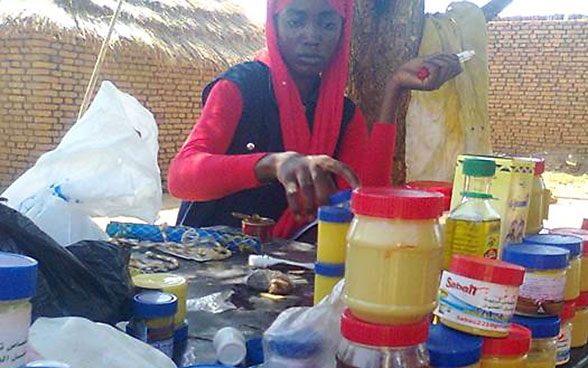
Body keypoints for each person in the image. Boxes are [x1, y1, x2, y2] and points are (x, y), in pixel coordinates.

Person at [168, 0, 462, 238]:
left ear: (342, 32)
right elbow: (181, 178)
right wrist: (271, 163)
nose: (312, 37)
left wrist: (394, 90)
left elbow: (363, 197)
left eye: (328, 23)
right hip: (207, 262)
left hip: (284, 272)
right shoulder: (239, 88)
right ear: (275, 24)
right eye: (296, 21)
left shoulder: (343, 114)